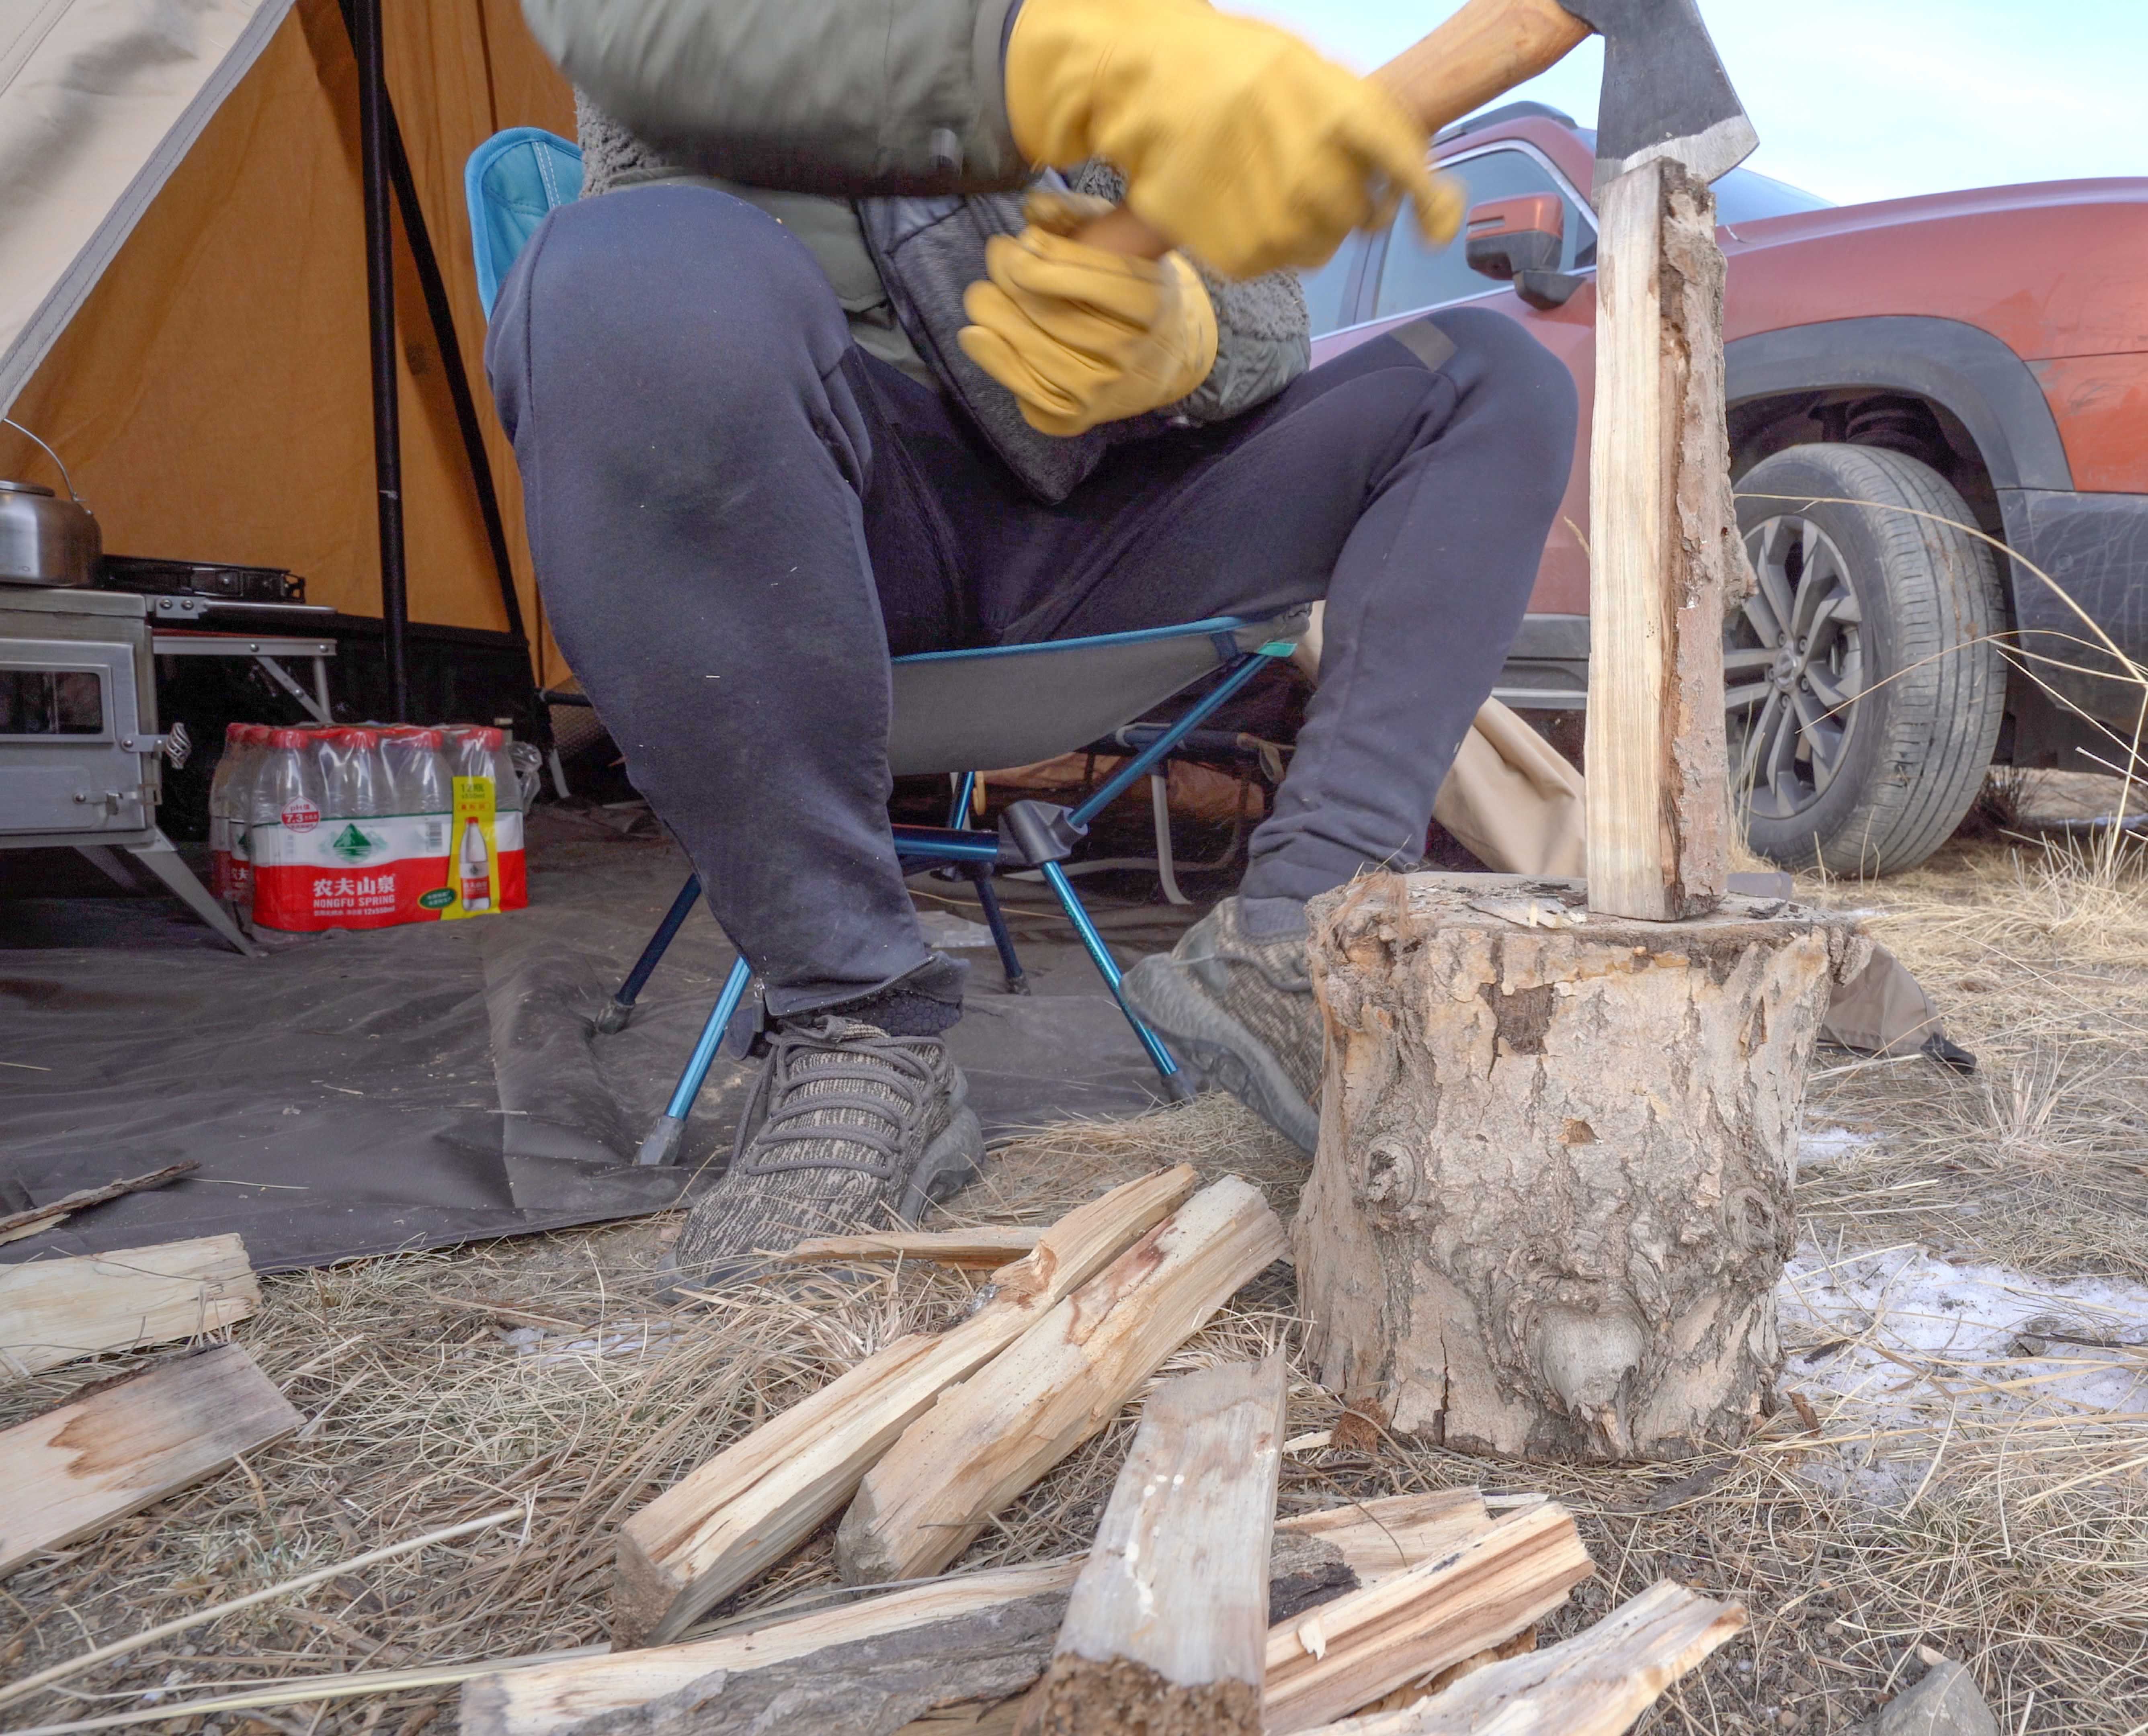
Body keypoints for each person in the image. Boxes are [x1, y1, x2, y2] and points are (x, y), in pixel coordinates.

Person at [490, 0, 1578, 1292]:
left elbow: (1269, 313)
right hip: (820, 507)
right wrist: (1049, 57)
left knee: (1488, 378)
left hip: (1095, 520)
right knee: (619, 267)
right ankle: (855, 1018)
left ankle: (1307, 938)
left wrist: (1184, 333)